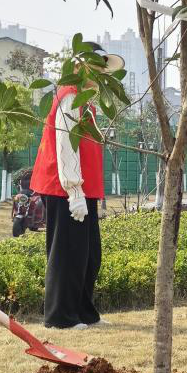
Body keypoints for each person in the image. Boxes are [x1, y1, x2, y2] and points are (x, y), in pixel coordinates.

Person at [29, 42, 124, 329]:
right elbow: (65, 145)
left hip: (84, 188)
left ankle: (84, 312)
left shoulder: (86, 101)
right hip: (66, 189)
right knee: (67, 252)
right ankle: (61, 316)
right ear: (78, 68)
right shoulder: (69, 96)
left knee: (88, 254)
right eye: (95, 67)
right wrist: (74, 190)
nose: (100, 73)